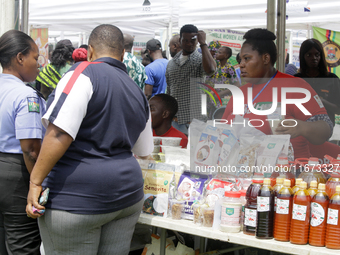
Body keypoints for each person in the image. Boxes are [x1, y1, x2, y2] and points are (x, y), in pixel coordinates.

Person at [26, 24, 153, 255]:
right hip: (127, 198)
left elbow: (59, 133)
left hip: (77, 199)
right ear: (122, 54)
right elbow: (144, 149)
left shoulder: (81, 73)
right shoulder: (137, 90)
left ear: (90, 50)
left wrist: (35, 182)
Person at [222, 28, 332, 159]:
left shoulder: (295, 86)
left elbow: (325, 129)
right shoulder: (240, 92)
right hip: (241, 171)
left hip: (286, 173)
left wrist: (302, 127)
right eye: (241, 60)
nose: (241, 65)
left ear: (266, 58)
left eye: (247, 59)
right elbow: (223, 131)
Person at [0, 29, 46, 254]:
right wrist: (35, 185)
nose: (38, 65)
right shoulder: (26, 95)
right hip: (16, 173)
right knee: (23, 243)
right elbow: (30, 150)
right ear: (20, 58)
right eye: (35, 58)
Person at [166, 24, 217, 135]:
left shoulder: (200, 60)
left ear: (197, 41)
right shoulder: (171, 63)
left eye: (193, 41)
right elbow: (169, 89)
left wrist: (203, 43)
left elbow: (211, 70)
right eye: (186, 40)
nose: (189, 44)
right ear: (180, 40)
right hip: (174, 121)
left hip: (194, 122)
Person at [294, 38, 340, 159]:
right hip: (299, 131)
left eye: (317, 54)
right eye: (309, 55)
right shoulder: (295, 79)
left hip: (323, 131)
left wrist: (321, 101)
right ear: (303, 57)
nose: (313, 58)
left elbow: (338, 109)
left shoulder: (332, 79)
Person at [205, 46, 238, 119]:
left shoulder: (229, 68)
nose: (216, 53)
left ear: (226, 55)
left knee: (220, 120)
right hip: (212, 100)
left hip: (222, 101)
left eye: (219, 52)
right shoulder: (217, 66)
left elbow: (237, 85)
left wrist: (220, 94)